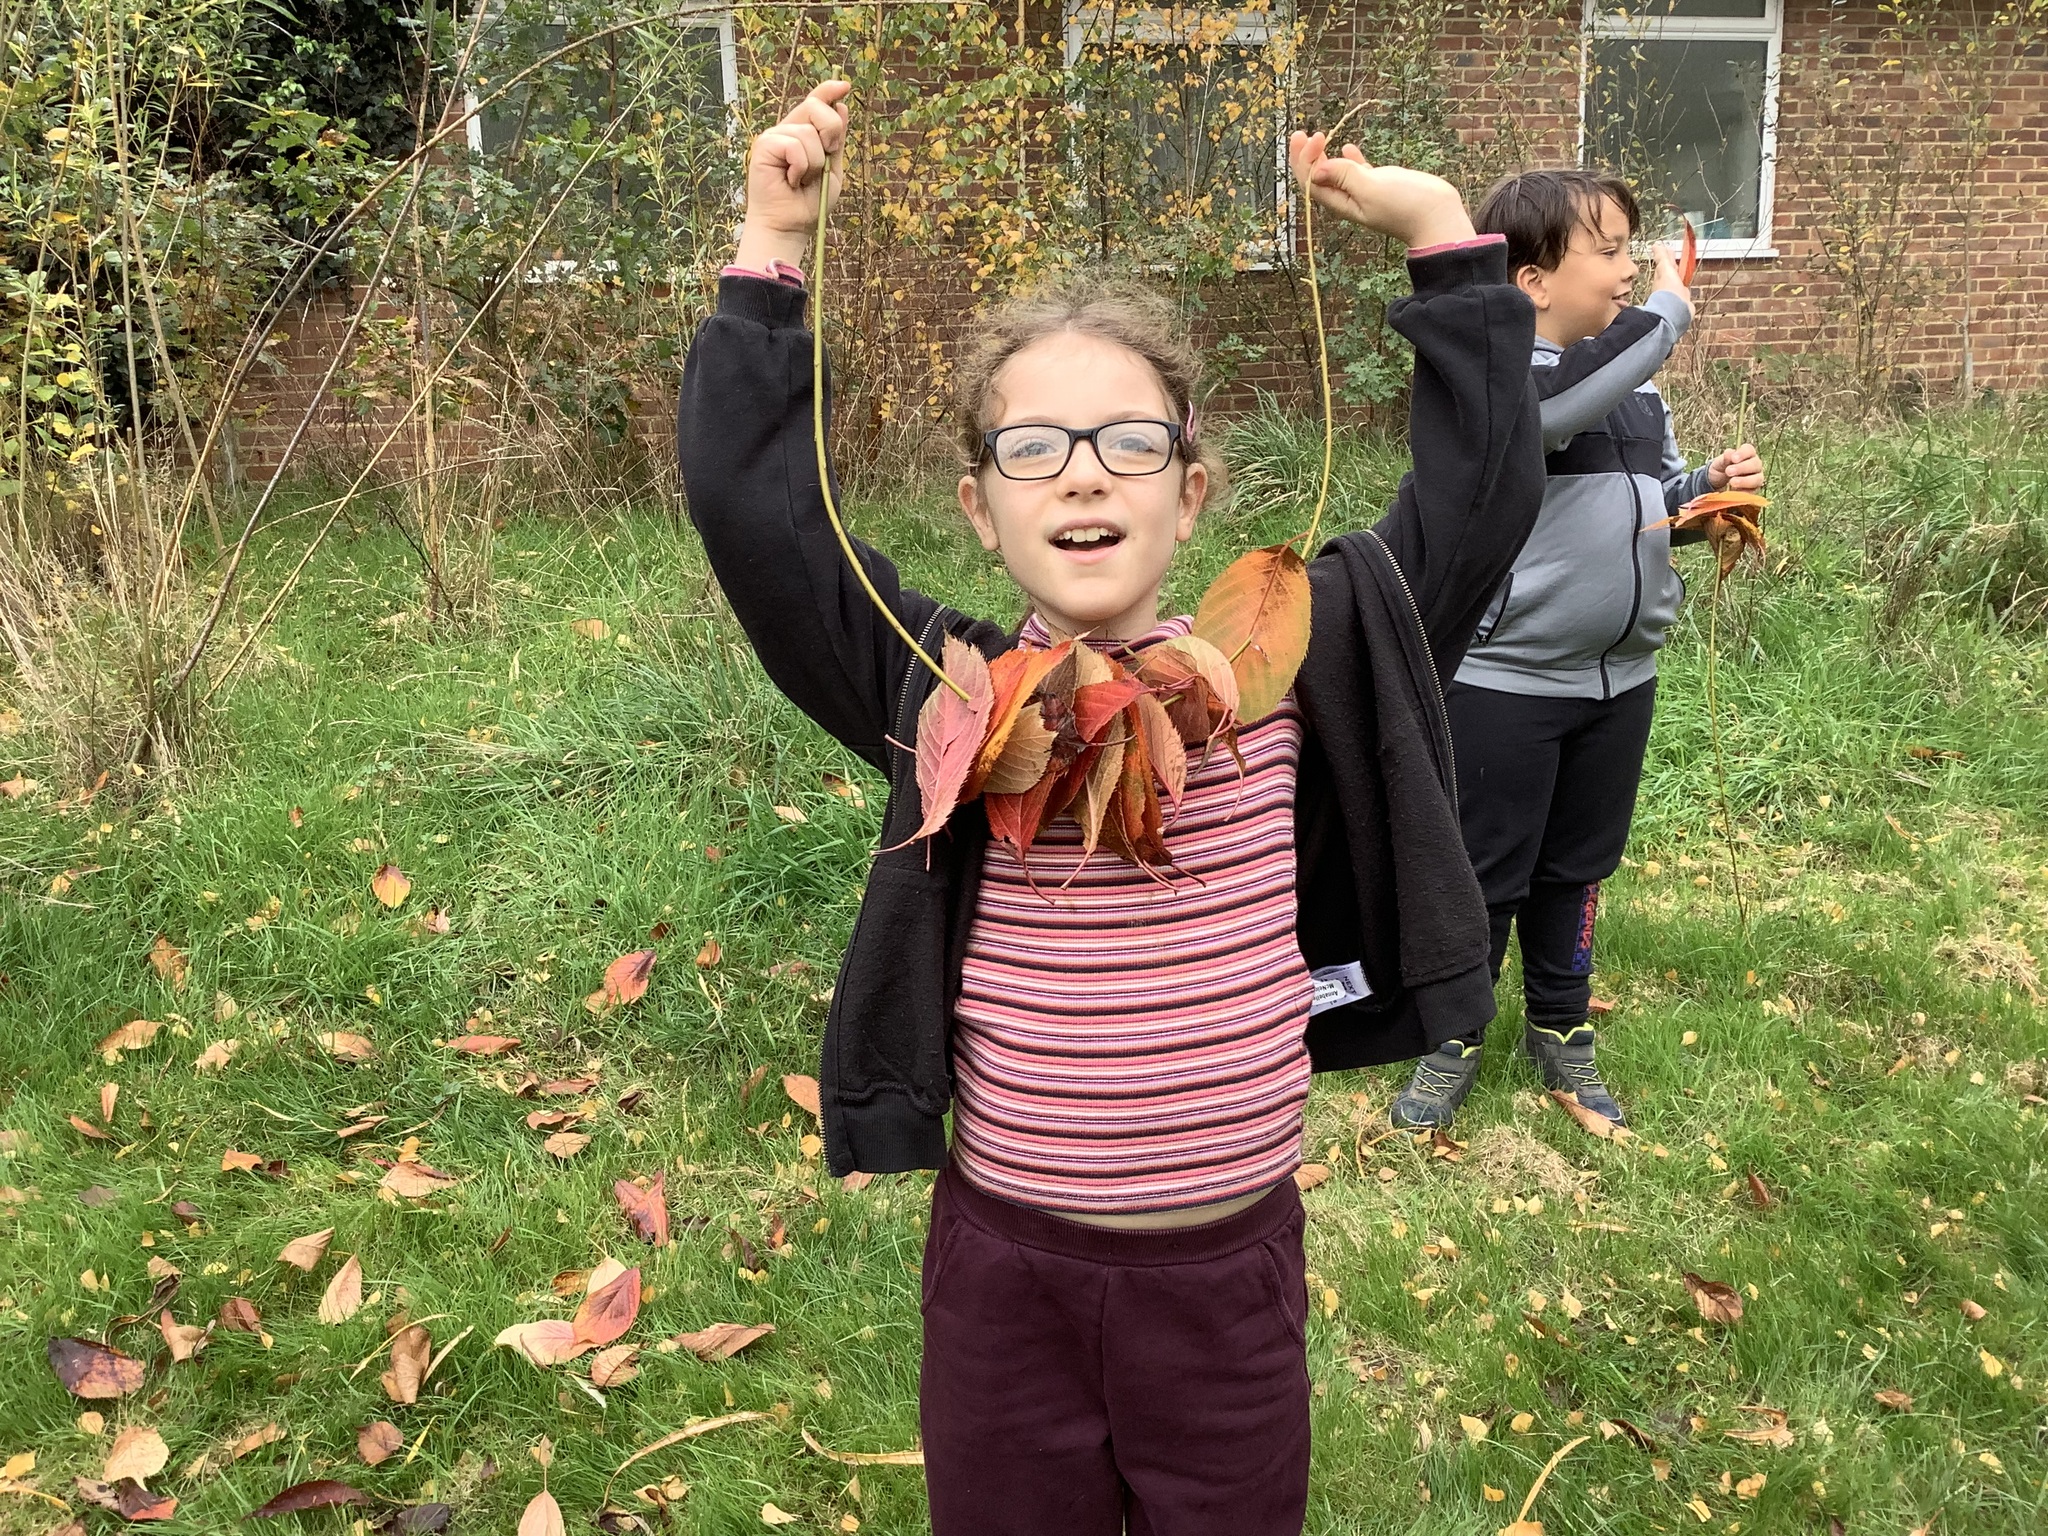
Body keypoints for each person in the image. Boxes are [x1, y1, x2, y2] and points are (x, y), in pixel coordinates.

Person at [679, 75, 1544, 1536]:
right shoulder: (942, 688)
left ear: (1191, 491)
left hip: (1226, 1282)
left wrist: (1444, 236)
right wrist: (773, 245)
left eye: (1130, 442)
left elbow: (1480, 497)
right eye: (1033, 448)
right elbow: (761, 522)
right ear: (980, 507)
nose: (1083, 477)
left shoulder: (1296, 666)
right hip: (1006, 1282)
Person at [1388, 168, 1767, 1133]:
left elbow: (1644, 504)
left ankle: (1560, 1026)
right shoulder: (1503, 388)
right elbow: (1550, 423)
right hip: (1506, 683)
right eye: (1608, 251)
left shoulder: (1632, 394)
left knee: (1577, 868)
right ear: (1532, 283)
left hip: (1618, 681)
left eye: (1631, 250)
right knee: (1487, 869)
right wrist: (1669, 317)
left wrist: (1704, 494)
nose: (1631, 270)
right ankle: (1453, 1033)